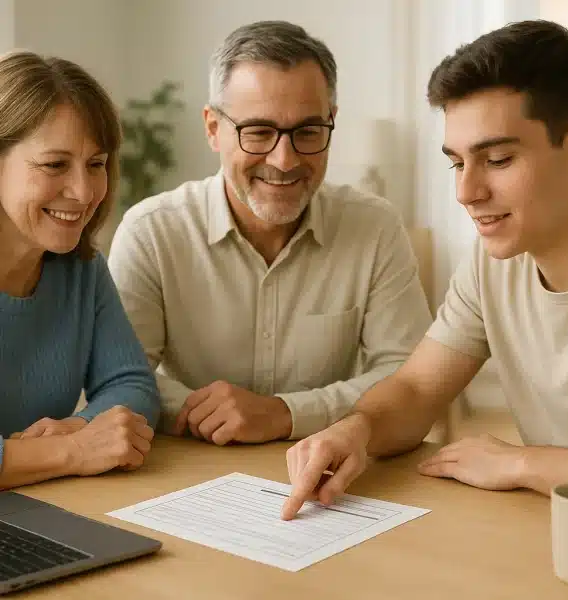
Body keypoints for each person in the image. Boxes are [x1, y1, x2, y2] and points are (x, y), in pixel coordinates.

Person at [281, 19, 568, 519]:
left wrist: (521, 463)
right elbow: (416, 390)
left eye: (496, 159)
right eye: (457, 163)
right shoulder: (493, 263)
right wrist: (355, 430)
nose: (466, 193)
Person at [108, 21, 431, 444]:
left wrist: (284, 414)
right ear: (212, 129)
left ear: (331, 123)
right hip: (189, 470)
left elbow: (409, 377)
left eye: (307, 132)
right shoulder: (151, 232)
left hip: (333, 471)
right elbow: (122, 377)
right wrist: (212, 415)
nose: (284, 159)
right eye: (258, 132)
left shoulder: (375, 229)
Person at [0, 51, 160, 490]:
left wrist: (79, 426)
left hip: (40, 512)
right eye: (55, 165)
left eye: (96, 164)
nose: (84, 191)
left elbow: (133, 386)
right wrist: (72, 451)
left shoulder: (82, 271)